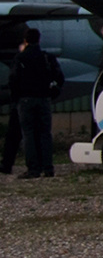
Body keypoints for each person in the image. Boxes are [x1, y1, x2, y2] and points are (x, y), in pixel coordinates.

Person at [12, 28, 64, 179]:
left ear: (26, 40)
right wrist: (52, 93)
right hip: (44, 99)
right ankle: (48, 168)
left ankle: (33, 168)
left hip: (26, 99)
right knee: (45, 134)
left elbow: (13, 80)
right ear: (39, 40)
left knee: (28, 134)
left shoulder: (20, 58)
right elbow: (59, 77)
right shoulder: (46, 57)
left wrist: (16, 99)